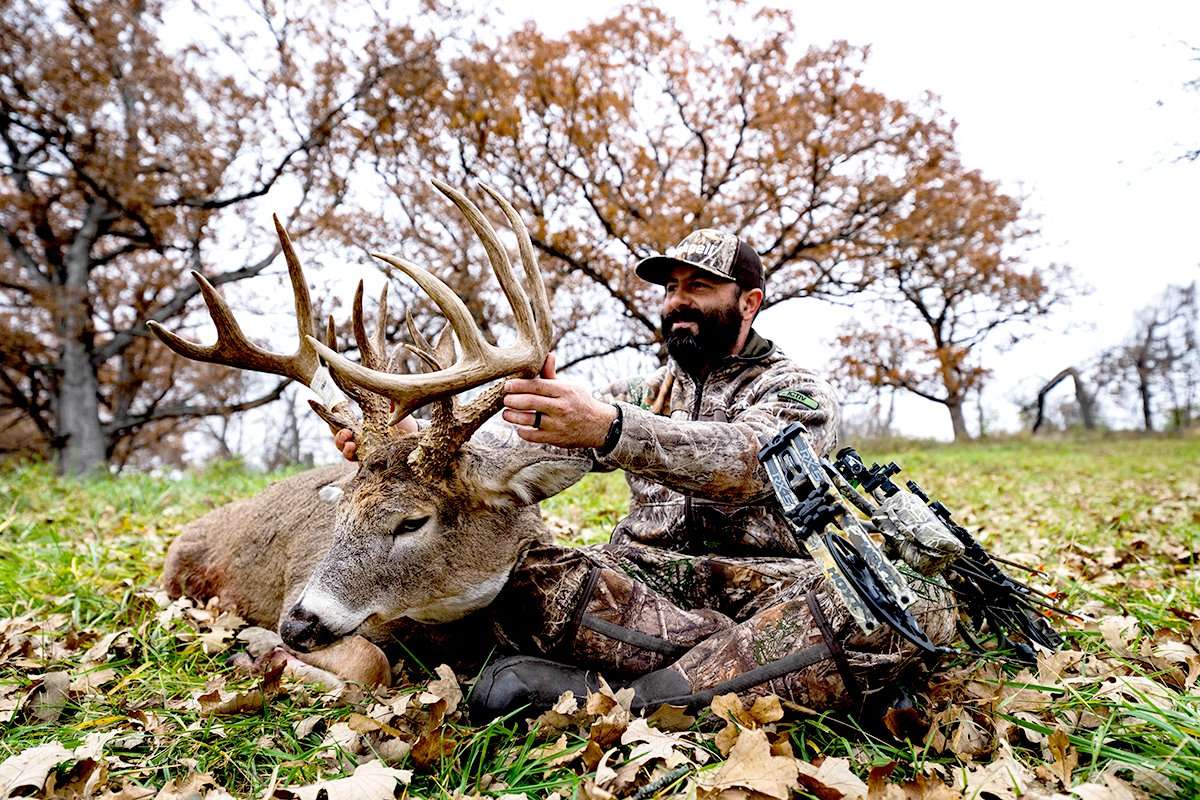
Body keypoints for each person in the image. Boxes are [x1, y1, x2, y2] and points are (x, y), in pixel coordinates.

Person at [333, 229, 956, 718]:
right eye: (670, 288)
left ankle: (608, 695)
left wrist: (612, 429)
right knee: (526, 575)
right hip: (645, 588)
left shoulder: (796, 391)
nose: (678, 301)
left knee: (895, 608)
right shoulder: (641, 390)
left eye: (699, 287)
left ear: (750, 302)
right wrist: (415, 444)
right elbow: (504, 456)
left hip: (767, 589)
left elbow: (753, 462)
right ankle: (762, 669)